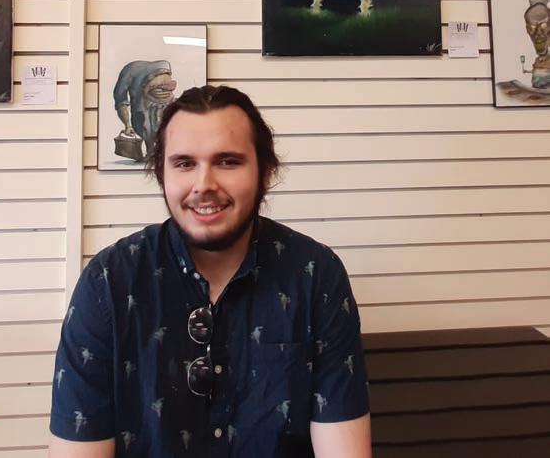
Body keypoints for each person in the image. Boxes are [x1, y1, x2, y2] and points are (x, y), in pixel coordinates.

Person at [49, 85, 371, 457]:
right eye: (185, 163)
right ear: (161, 174)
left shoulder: (315, 275)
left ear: (266, 171)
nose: (204, 185)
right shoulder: (109, 283)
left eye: (228, 162)